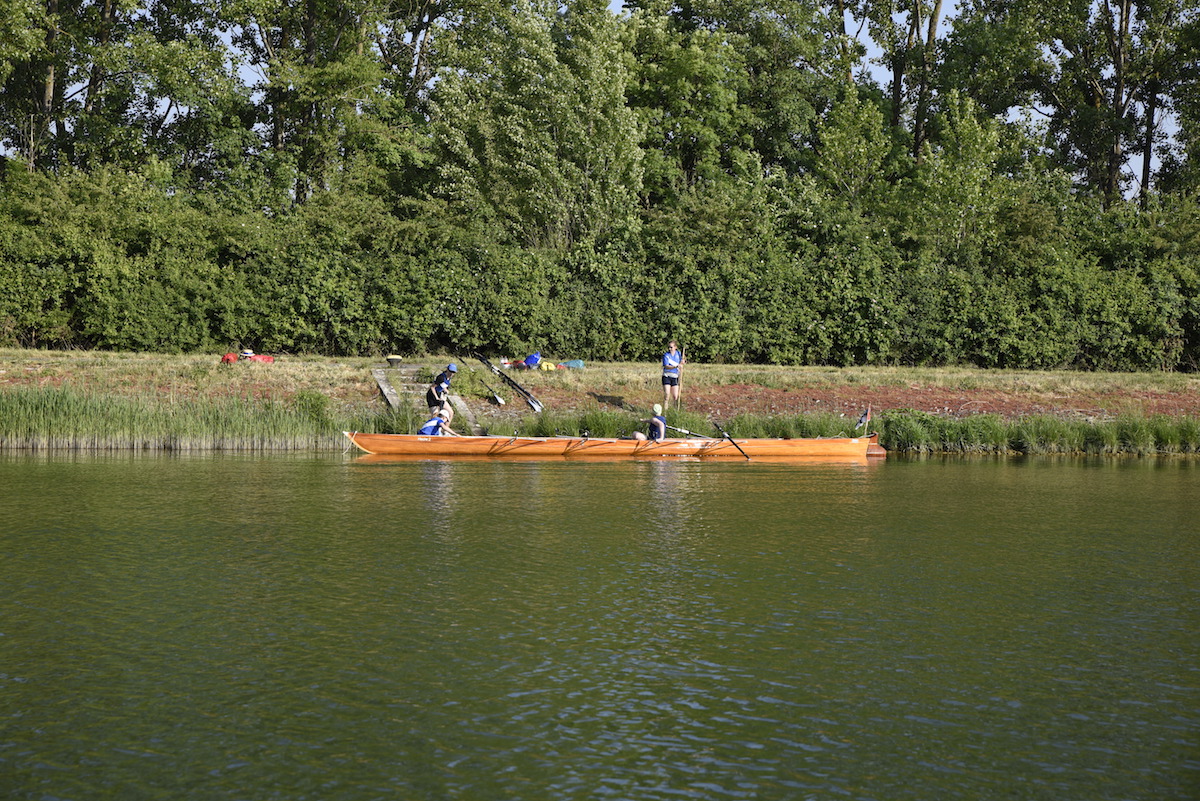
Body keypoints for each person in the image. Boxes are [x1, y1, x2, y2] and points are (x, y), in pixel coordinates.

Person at [661, 341, 685, 407]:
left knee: (675, 396)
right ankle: (665, 411)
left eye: (671, 347)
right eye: (669, 347)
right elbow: (666, 366)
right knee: (667, 394)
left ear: (675, 347)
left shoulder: (678, 354)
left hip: (675, 376)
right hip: (667, 376)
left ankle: (674, 411)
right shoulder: (666, 355)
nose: (670, 349)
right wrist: (676, 366)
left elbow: (681, 361)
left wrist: (682, 362)